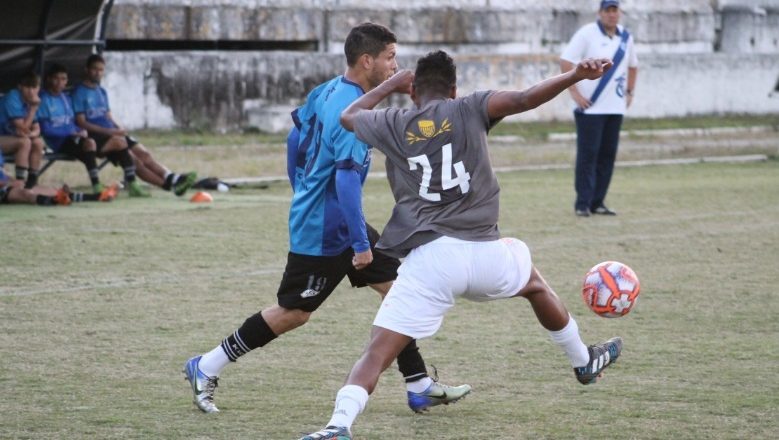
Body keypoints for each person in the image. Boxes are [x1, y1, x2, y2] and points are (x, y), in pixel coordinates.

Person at [299, 51, 623, 440]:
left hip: (431, 262)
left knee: (377, 354)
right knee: (533, 283)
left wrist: (389, 85)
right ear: (454, 89)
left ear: (412, 90)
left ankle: (338, 426)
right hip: (487, 253)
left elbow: (348, 116)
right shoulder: (471, 107)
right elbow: (524, 98)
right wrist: (573, 75)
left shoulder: (393, 121)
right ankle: (582, 360)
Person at [183, 23, 470, 415]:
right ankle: (206, 364)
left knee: (400, 293)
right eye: (390, 57)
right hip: (325, 231)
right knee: (294, 312)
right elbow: (347, 180)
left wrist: (301, 186)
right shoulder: (352, 112)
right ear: (367, 60)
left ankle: (418, 384)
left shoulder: (328, 90)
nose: (396, 66)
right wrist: (359, 243)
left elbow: (294, 138)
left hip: (338, 221)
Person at [71, 54, 197, 197]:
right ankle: (170, 185)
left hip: (113, 133)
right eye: (94, 69)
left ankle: (172, 178)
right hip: (99, 137)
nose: (98, 73)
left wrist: (119, 128)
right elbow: (81, 122)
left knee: (144, 153)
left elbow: (108, 115)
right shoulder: (79, 92)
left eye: (101, 70)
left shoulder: (101, 91)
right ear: (87, 70)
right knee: (135, 161)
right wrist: (109, 132)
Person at [560, 0, 638, 217]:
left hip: (615, 107)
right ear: (600, 13)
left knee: (607, 155)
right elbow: (566, 61)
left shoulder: (626, 37)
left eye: (615, 10)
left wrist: (630, 92)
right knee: (588, 156)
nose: (612, 15)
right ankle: (582, 203)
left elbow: (633, 65)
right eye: (608, 11)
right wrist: (575, 93)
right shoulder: (587, 33)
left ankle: (598, 201)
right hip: (591, 108)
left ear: (619, 13)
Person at [38, 63, 115, 197]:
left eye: (63, 79)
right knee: (90, 144)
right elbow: (45, 130)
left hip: (72, 138)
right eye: (56, 78)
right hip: (59, 142)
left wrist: (80, 130)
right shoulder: (43, 99)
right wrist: (71, 133)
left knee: (95, 143)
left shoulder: (66, 98)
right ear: (49, 79)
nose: (60, 82)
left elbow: (71, 122)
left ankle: (105, 184)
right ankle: (97, 185)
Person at [0, 153, 115, 205]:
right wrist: (8, 183)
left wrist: (12, 180)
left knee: (44, 189)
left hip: (6, 184)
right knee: (26, 193)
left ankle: (97, 197)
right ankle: (54, 201)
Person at [0, 71, 45, 189]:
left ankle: (31, 183)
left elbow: (37, 129)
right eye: (27, 87)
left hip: (12, 138)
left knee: (38, 142)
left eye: (34, 87)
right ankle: (20, 184)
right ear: (20, 86)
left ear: (38, 88)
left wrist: (30, 134)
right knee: (24, 142)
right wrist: (34, 109)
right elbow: (23, 127)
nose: (30, 91)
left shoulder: (33, 100)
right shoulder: (13, 97)